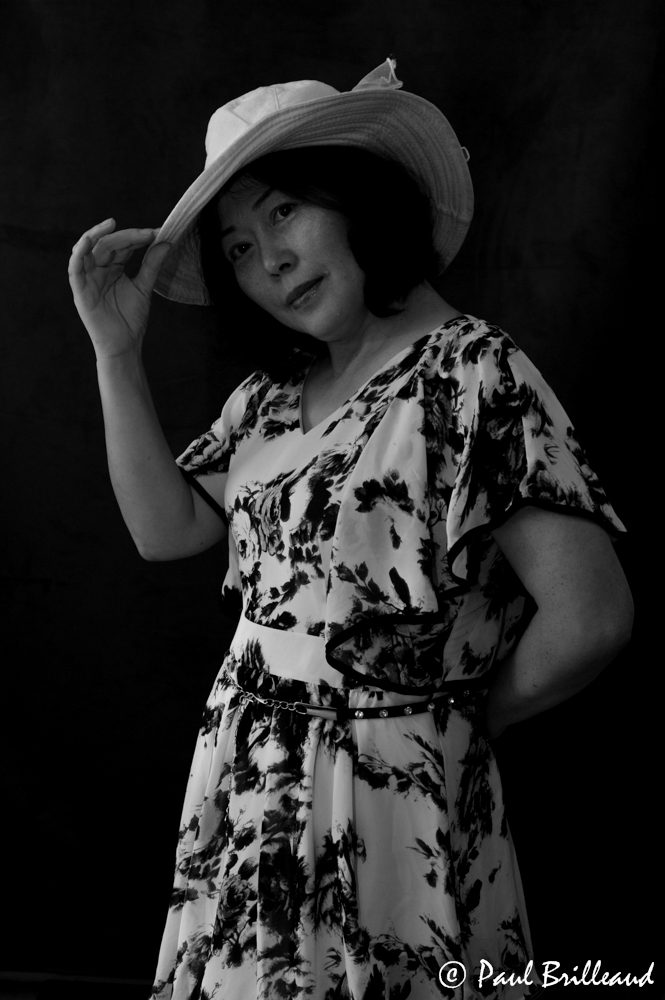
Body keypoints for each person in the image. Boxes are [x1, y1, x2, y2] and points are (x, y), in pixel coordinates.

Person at [68, 59, 633, 1000]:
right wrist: (115, 356)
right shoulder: (269, 397)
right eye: (239, 246)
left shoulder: (472, 373)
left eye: (284, 212)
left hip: (385, 808)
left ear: (360, 198)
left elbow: (592, 617)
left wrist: (446, 720)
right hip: (245, 794)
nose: (269, 260)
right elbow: (166, 531)